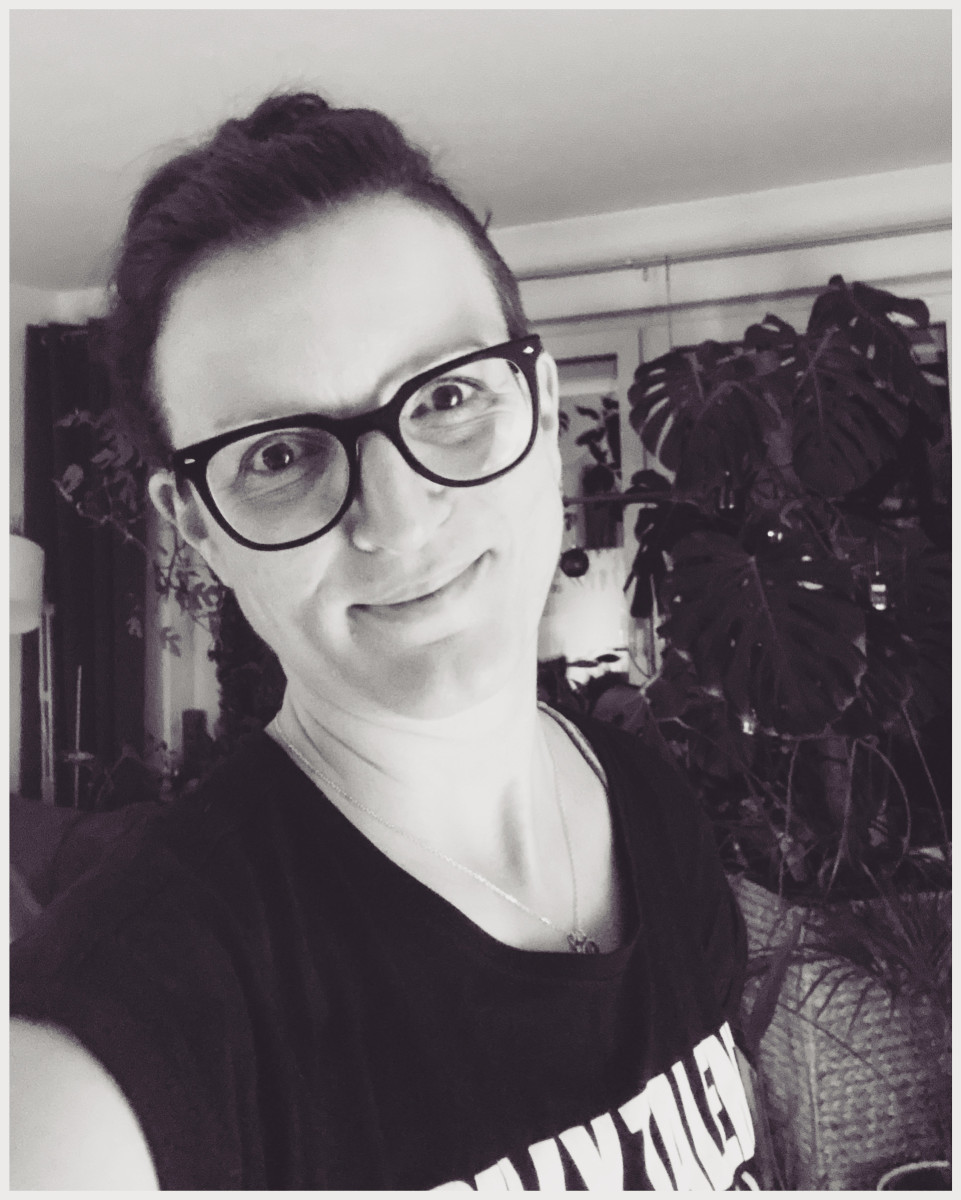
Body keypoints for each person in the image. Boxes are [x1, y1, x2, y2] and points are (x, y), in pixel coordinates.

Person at [11, 91, 767, 1190]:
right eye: (278, 455)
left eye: (448, 395)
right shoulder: (114, 1041)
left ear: (539, 403)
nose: (398, 520)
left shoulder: (649, 804)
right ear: (197, 526)